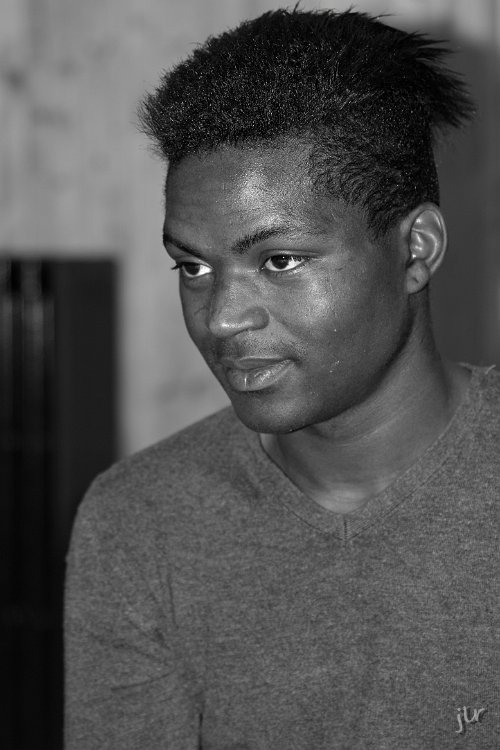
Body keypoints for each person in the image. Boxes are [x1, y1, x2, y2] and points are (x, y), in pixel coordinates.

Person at [64, 8, 500, 749]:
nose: (222, 317)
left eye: (280, 260)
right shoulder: (142, 522)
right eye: (193, 267)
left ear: (416, 249)